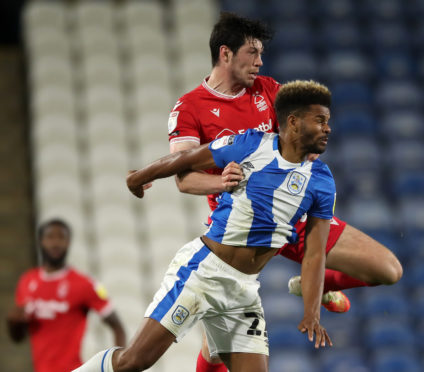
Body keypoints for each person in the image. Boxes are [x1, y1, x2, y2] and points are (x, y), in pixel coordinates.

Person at [167, 12, 403, 372]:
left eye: (261, 53)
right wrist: (221, 182)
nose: (260, 62)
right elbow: (183, 178)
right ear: (226, 54)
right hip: (239, 232)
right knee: (215, 349)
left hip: (294, 216)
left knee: (387, 269)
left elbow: (300, 139)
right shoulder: (190, 108)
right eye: (252, 53)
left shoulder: (268, 91)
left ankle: (316, 284)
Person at [75, 80, 335, 372]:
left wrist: (312, 313)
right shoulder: (251, 144)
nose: (327, 128)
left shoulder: (322, 181)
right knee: (133, 362)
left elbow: (314, 253)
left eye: (328, 121)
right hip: (203, 272)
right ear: (294, 122)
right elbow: (187, 158)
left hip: (244, 290)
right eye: (320, 120)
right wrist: (138, 177)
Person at [6, 219, 126, 372]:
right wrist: (13, 324)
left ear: (68, 242)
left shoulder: (84, 284)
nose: (55, 243)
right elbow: (17, 338)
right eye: (50, 237)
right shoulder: (27, 281)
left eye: (61, 237)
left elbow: (118, 327)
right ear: (41, 241)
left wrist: (119, 367)